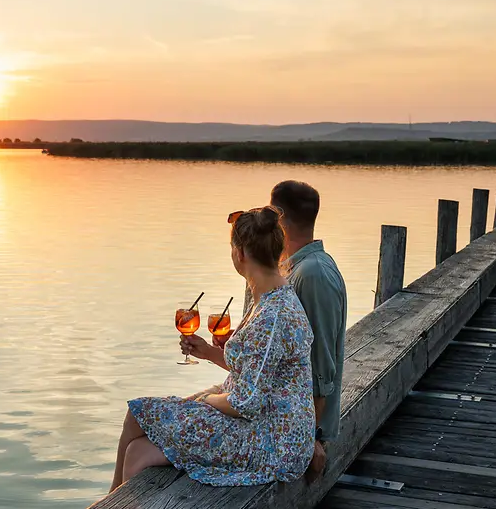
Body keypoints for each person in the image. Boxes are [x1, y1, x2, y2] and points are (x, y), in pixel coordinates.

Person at [109, 206, 316, 491]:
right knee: (138, 452)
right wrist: (208, 352)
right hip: (274, 430)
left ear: (240, 253)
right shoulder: (275, 297)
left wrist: (207, 400)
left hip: (272, 445)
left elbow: (245, 403)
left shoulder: (272, 315)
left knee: (139, 413)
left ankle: (107, 507)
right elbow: (259, 372)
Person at [254, 180, 347, 482]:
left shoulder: (313, 274)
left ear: (278, 215)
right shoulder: (291, 268)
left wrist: (312, 436)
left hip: (300, 427)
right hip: (283, 414)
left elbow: (320, 364)